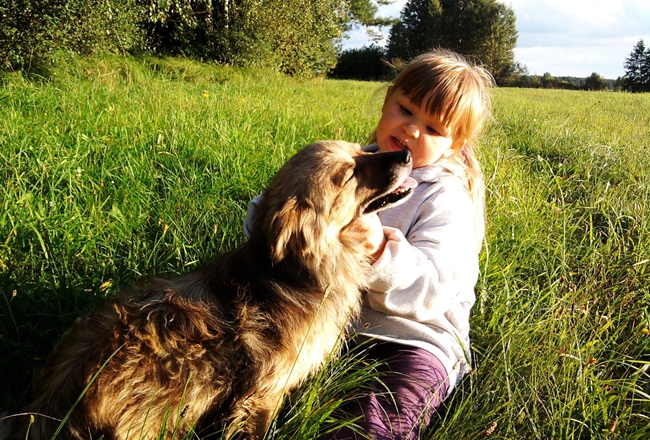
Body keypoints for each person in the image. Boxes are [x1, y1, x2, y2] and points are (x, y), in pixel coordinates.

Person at [244, 49, 493, 439]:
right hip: (333, 328)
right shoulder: (357, 163)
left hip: (413, 340)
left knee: (372, 420)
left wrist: (380, 250)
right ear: (387, 98)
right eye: (407, 110)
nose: (412, 130)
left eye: (433, 129)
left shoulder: (446, 201)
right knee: (239, 367)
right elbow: (284, 211)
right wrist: (275, 220)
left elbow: (435, 290)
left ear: (455, 145)